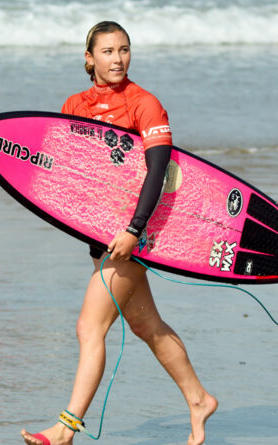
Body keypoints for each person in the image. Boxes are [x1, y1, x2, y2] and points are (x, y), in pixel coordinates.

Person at [21, 21, 217, 445]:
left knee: (88, 327)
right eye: (108, 51)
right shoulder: (74, 104)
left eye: (124, 50)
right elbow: (71, 172)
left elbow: (159, 170)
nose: (118, 59)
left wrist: (134, 229)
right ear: (89, 58)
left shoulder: (144, 103)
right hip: (101, 233)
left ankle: (65, 429)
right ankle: (199, 398)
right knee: (148, 327)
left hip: (136, 235)